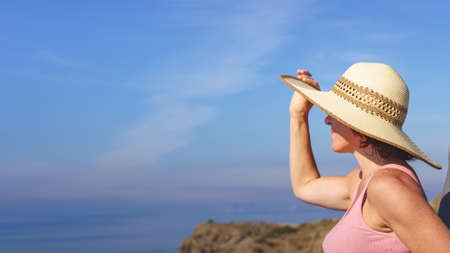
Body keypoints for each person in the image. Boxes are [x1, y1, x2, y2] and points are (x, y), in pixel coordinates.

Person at [280, 62, 450, 252]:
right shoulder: (363, 180)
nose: (327, 119)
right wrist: (299, 116)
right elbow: (305, 186)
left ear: (361, 131)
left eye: (335, 114)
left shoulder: (387, 187)